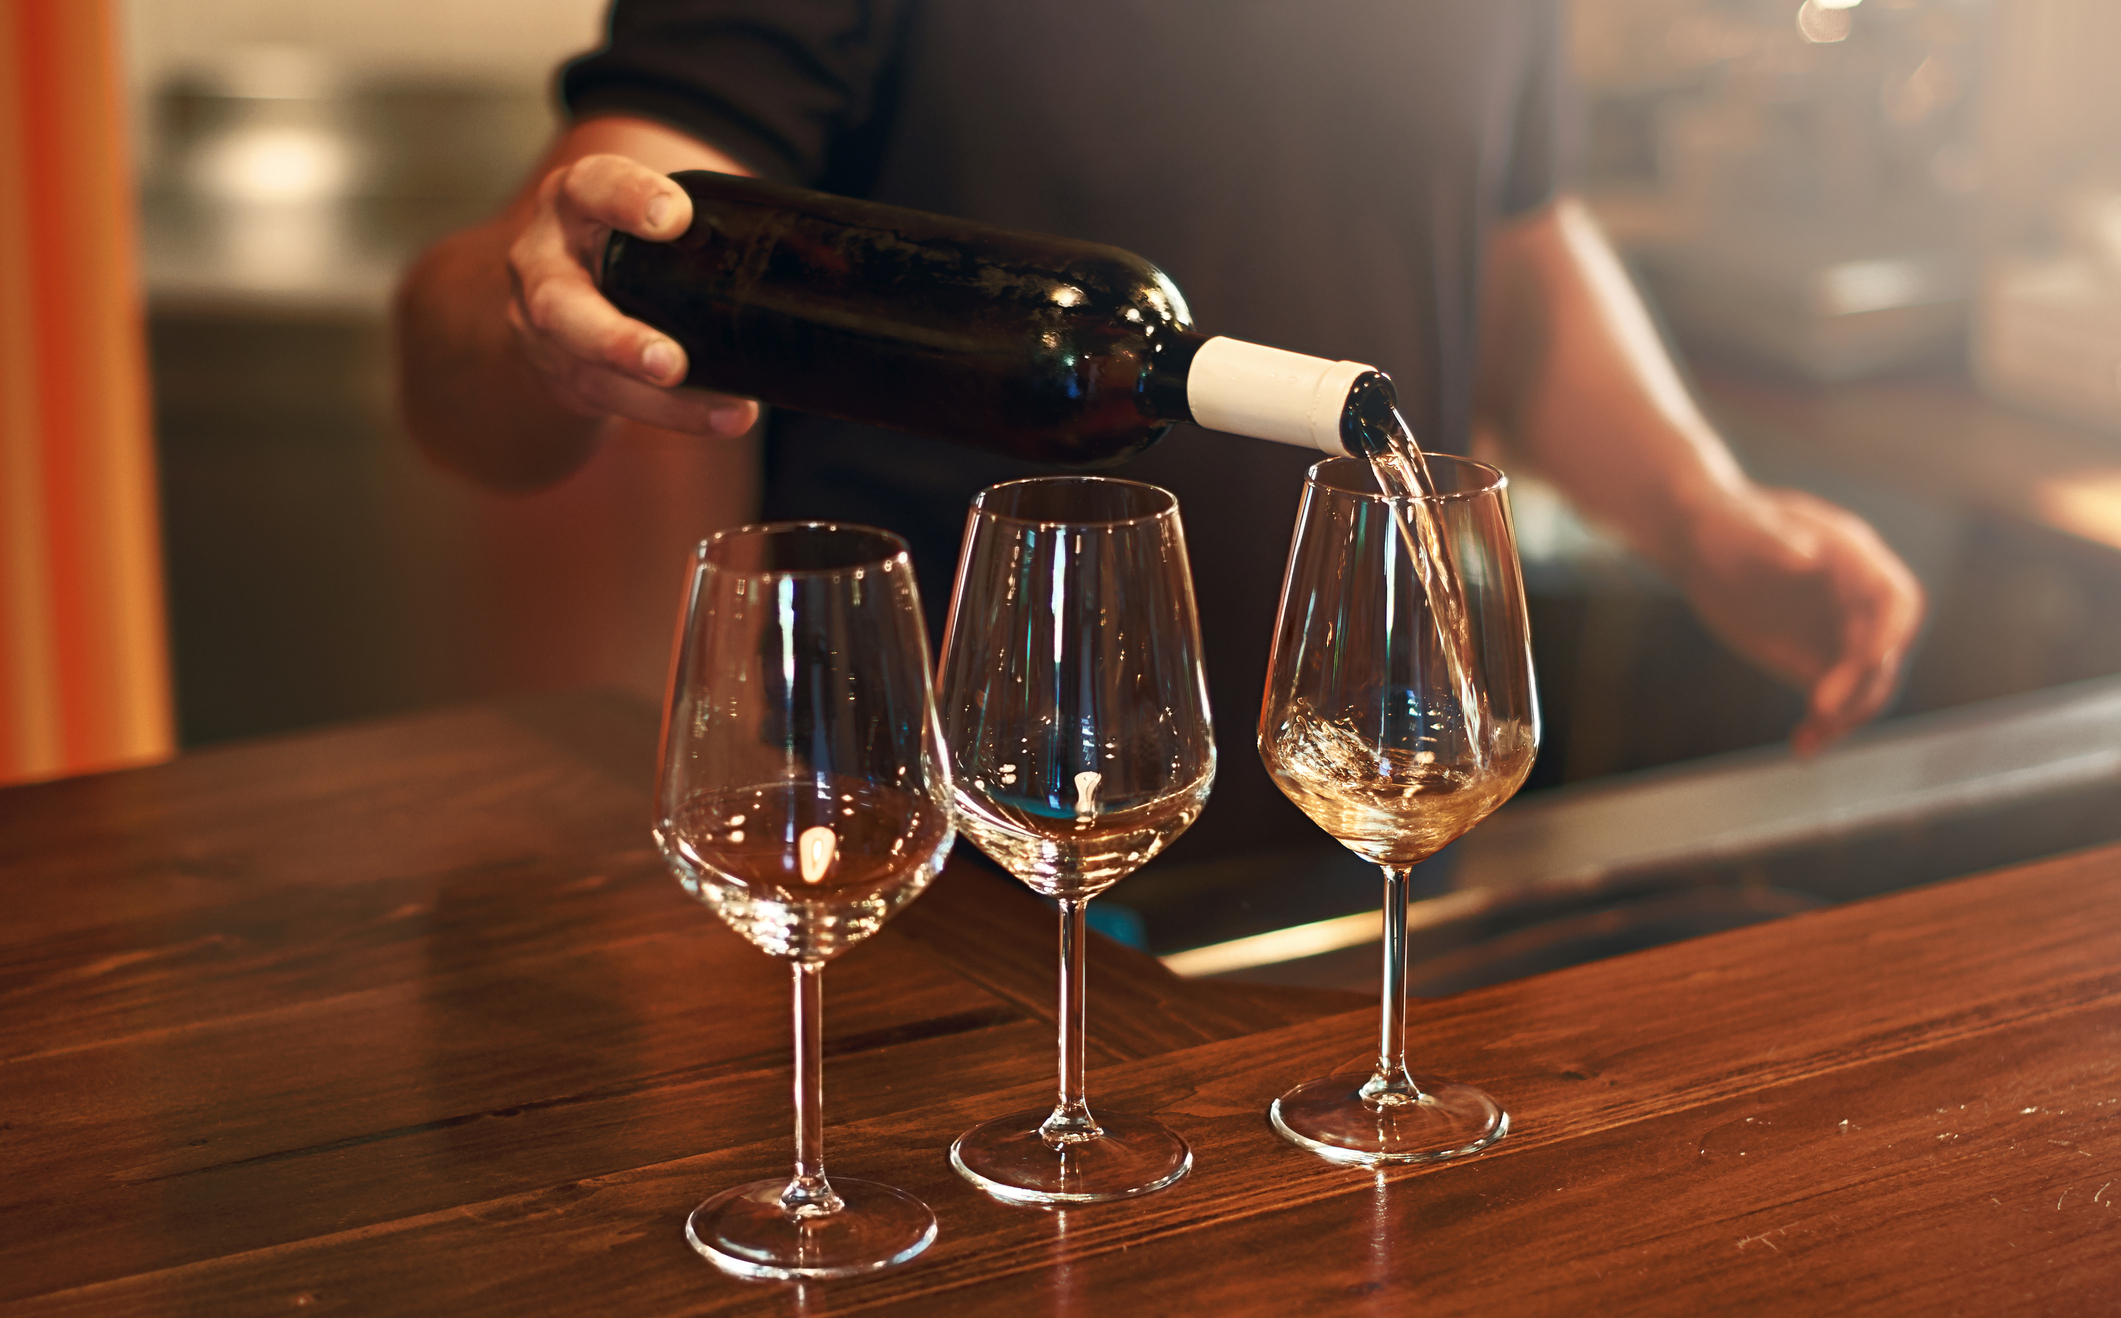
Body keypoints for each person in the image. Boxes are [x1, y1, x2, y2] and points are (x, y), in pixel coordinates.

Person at [394, 1, 1923, 866]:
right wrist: (542, 300)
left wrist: (1706, 513)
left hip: (1342, 848)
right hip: (942, 873)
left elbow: (1511, 234)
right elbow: (607, 226)